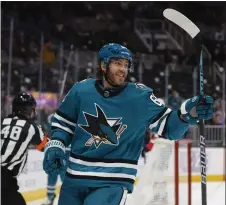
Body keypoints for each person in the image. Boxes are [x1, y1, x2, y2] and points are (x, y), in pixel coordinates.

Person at [43, 43, 213, 205]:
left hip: (113, 181)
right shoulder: (81, 90)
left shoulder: (140, 96)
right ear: (103, 65)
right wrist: (56, 143)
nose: (123, 69)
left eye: (126, 65)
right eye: (118, 63)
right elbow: (63, 124)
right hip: (74, 179)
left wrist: (186, 113)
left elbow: (170, 129)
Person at [1, 92, 48, 205]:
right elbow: (44, 146)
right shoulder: (31, 127)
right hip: (4, 176)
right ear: (29, 109)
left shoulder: (3, 122)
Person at [42, 112, 71, 205]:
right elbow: (47, 132)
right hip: (56, 149)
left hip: (69, 152)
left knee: (65, 176)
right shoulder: (52, 117)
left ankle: (68, 198)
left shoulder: (77, 114)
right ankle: (50, 197)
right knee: (52, 172)